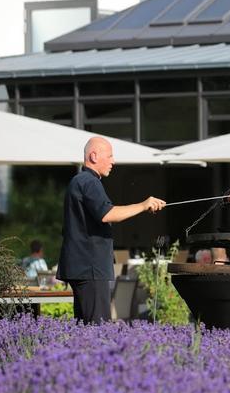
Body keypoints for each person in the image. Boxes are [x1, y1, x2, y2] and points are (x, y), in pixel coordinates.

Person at [56, 137, 166, 324]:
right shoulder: (89, 182)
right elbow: (107, 214)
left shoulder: (80, 181)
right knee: (98, 330)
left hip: (83, 268)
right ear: (93, 156)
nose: (113, 161)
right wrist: (143, 204)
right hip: (89, 268)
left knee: (85, 330)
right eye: (110, 156)